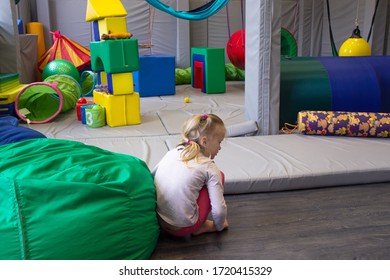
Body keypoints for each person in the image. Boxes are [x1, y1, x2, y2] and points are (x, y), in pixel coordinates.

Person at [152, 113, 229, 236]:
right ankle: (202, 226)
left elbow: (152, 176)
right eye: (219, 142)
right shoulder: (209, 167)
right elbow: (219, 211)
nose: (220, 147)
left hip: (158, 220)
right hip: (181, 228)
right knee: (220, 175)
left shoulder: (172, 152)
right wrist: (218, 226)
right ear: (204, 141)